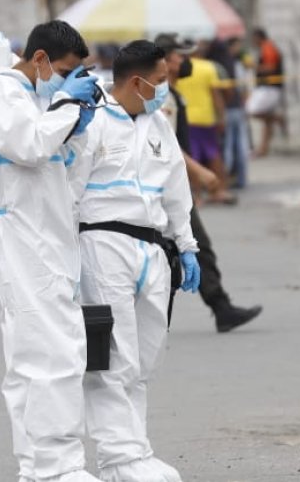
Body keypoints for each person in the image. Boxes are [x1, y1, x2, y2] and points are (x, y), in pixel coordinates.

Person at [0, 22, 102, 482]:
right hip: (24, 235)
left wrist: (76, 127)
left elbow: (66, 174)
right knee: (52, 351)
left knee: (33, 354)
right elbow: (30, 145)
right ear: (39, 59)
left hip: (47, 236)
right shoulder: (1, 95)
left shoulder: (34, 99)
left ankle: (37, 466)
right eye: (64, 71)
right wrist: (65, 108)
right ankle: (57, 467)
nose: (66, 81)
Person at [67, 40, 201, 482]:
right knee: (113, 361)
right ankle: (119, 459)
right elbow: (69, 192)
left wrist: (186, 245)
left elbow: (176, 187)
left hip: (153, 249)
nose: (165, 89)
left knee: (144, 361)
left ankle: (135, 453)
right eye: (160, 81)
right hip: (104, 244)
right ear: (138, 80)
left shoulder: (158, 124)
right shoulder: (93, 122)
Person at [154, 34, 263, 333]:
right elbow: (166, 144)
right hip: (162, 190)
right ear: (164, 60)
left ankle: (218, 307)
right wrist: (200, 172)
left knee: (185, 251)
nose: (185, 61)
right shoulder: (161, 96)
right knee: (193, 248)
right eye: (179, 56)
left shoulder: (174, 92)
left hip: (170, 187)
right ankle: (218, 307)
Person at [174, 41, 234, 205]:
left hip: (186, 118)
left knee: (192, 156)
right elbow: (217, 96)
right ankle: (219, 190)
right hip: (206, 117)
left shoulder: (179, 67)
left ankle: (197, 195)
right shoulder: (209, 67)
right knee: (213, 154)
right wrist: (221, 117)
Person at [208, 40, 250, 189]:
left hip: (225, 110)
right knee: (240, 144)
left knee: (226, 146)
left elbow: (226, 92)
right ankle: (241, 179)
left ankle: (225, 180)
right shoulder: (233, 63)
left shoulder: (215, 67)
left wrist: (222, 109)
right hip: (237, 108)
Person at [246, 28, 285, 157]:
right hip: (266, 88)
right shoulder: (266, 47)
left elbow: (270, 68)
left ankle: (277, 118)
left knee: (252, 110)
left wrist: (254, 66)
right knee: (266, 121)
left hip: (269, 88)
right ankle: (263, 149)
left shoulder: (268, 47)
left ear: (259, 37)